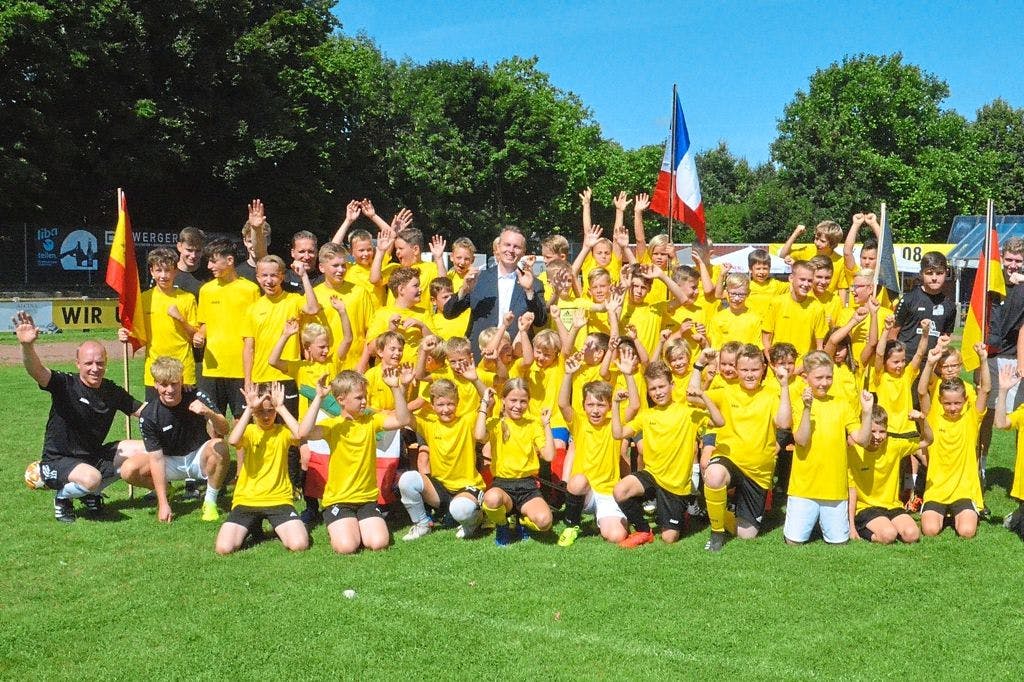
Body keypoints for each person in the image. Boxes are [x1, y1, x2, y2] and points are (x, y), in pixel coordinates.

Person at [14, 311, 145, 522]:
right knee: (92, 479)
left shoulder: (111, 390)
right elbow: (37, 371)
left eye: (100, 363)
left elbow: (143, 412)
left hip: (92, 456)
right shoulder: (64, 384)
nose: (95, 369)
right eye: (89, 363)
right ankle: (63, 497)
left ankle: (90, 493)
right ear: (77, 364)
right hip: (59, 460)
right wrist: (27, 346)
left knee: (144, 448)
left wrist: (179, 409)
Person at [301, 367, 415, 554]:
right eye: (359, 398)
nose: (364, 402)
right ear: (341, 400)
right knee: (347, 547)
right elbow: (303, 432)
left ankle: (357, 525)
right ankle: (342, 525)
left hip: (367, 500)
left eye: (365, 396)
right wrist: (318, 398)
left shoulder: (371, 421)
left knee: (378, 543)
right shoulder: (333, 425)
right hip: (339, 500)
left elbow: (402, 420)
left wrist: (396, 387)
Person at [703, 344, 793, 551]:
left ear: (763, 368)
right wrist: (700, 366)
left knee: (747, 535)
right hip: (730, 460)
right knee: (714, 474)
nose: (750, 375)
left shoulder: (772, 395)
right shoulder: (726, 392)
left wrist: (785, 386)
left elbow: (784, 423)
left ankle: (722, 510)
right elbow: (691, 397)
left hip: (758, 473)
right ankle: (716, 532)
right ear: (736, 369)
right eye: (744, 370)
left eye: (754, 370)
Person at [120, 357, 231, 523]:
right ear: (156, 384)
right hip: (168, 461)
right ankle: (167, 491)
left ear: (182, 381)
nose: (170, 390)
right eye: (164, 385)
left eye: (174, 383)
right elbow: (156, 459)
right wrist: (163, 503)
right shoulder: (149, 415)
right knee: (128, 470)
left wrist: (209, 413)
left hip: (197, 457)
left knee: (220, 447)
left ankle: (210, 501)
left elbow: (224, 430)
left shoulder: (196, 395)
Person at [784, 352, 872, 545]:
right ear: (806, 377)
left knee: (839, 543)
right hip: (804, 488)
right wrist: (807, 408)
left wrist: (866, 413)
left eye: (828, 377)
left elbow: (862, 440)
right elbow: (801, 440)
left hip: (835, 490)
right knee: (794, 542)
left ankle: (820, 520)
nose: (824, 382)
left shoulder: (842, 403)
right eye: (819, 378)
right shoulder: (798, 403)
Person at [215, 383, 309, 555]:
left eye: (270, 410)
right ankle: (252, 525)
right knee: (224, 548)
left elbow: (300, 434)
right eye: (261, 411)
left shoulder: (282, 432)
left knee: (299, 544)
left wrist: (281, 407)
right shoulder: (249, 430)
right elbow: (233, 440)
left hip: (279, 500)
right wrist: (249, 409)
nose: (266, 416)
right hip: (247, 500)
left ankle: (259, 526)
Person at [443, 226, 548, 359]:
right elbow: (449, 313)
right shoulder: (478, 279)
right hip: (480, 354)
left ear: (523, 252)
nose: (511, 250)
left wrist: (529, 291)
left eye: (516, 247)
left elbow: (541, 321)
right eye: (507, 245)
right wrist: (464, 290)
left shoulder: (534, 283)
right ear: (498, 247)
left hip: (515, 358)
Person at [477, 380, 555, 545]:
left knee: (545, 522)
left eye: (523, 401)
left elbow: (548, 455)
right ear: (503, 400)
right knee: (491, 499)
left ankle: (521, 521)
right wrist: (484, 403)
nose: (518, 406)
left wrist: (546, 424)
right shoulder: (495, 423)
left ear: (528, 402)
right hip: (503, 486)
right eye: (513, 400)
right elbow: (479, 436)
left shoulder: (533, 424)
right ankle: (503, 525)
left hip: (528, 486)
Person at [194, 237, 261, 419]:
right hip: (212, 368)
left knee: (242, 421)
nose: (209, 266)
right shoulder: (206, 290)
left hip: (241, 368)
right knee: (214, 421)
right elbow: (204, 324)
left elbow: (256, 331)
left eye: (213, 261)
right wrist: (200, 335)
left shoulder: (251, 290)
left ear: (229, 260)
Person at [848, 403, 933, 544]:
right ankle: (865, 528)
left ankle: (888, 524)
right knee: (888, 535)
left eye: (882, 432)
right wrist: (851, 526)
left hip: (892, 505)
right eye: (872, 431)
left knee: (912, 535)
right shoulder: (853, 451)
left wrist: (922, 420)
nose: (877, 436)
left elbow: (927, 440)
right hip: (866, 507)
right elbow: (851, 490)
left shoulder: (893, 445)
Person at [122, 247, 199, 402]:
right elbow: (139, 336)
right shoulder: (144, 299)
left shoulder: (187, 298)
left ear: (175, 271)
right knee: (155, 418)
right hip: (154, 372)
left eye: (168, 271)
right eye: (159, 270)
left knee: (187, 421)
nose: (163, 276)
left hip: (183, 372)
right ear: (151, 271)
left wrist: (181, 319)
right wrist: (126, 334)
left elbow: (195, 338)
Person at [171, 226, 212, 299]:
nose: (193, 255)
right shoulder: (166, 272)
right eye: (189, 250)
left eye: (198, 251)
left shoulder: (210, 274)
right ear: (179, 246)